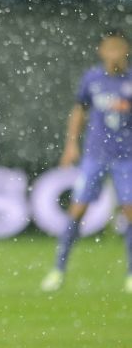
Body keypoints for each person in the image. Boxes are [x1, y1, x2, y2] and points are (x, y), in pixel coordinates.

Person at [41, 29, 132, 293]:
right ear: (101, 51)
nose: (113, 53)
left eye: (118, 48)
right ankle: (58, 269)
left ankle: (130, 274)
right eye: (109, 48)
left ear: (125, 50)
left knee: (129, 211)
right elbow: (79, 110)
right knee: (77, 210)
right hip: (95, 155)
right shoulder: (92, 78)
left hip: (126, 157)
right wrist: (71, 144)